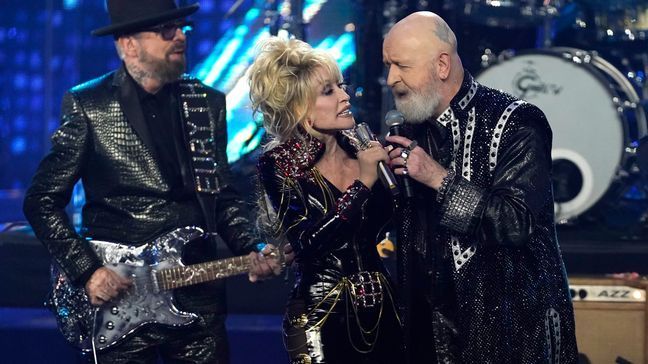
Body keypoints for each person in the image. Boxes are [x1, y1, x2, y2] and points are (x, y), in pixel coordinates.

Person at [22, 0, 281, 363]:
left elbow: (221, 196)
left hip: (197, 303)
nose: (180, 37)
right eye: (166, 30)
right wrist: (87, 271)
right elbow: (41, 201)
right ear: (128, 44)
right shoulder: (89, 106)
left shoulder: (206, 103)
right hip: (121, 300)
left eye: (182, 28)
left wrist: (250, 247)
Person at [382, 11, 578, 363]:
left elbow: (515, 223)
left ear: (442, 65)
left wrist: (436, 177)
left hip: (512, 331)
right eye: (387, 65)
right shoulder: (409, 130)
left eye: (401, 66)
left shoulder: (517, 121)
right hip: (429, 333)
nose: (390, 78)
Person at [251, 37, 403, 364]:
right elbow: (307, 243)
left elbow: (392, 223)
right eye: (329, 91)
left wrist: (402, 178)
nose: (345, 96)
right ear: (299, 107)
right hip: (321, 315)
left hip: (385, 309)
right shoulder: (280, 163)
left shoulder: (361, 147)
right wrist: (363, 183)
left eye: (342, 86)